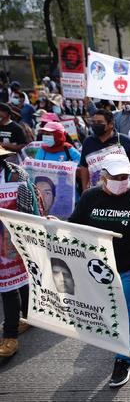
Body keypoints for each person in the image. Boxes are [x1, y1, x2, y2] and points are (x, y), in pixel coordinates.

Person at [69, 153, 130, 387]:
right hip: (100, 267)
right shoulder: (89, 197)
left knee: (120, 311)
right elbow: (73, 225)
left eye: (125, 176)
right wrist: (52, 225)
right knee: (120, 307)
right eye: (116, 176)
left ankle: (122, 359)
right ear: (104, 177)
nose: (122, 181)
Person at [0, 146, 43, 358]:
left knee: (9, 287)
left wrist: (34, 237)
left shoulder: (17, 176)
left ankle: (10, 336)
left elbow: (31, 209)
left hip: (15, 239)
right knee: (20, 281)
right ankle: (28, 315)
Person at [79, 109, 130, 192]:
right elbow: (84, 166)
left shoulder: (124, 140)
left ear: (110, 124)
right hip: (98, 192)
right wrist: (85, 189)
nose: (95, 125)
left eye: (99, 122)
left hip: (124, 191)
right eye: (93, 122)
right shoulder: (88, 142)